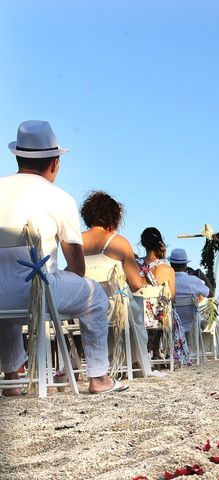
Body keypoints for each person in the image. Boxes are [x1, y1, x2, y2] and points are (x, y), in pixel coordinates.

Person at [0, 121, 126, 394]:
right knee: (95, 298)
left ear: (18, 156)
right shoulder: (59, 198)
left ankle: (12, 377)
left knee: (6, 288)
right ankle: (99, 378)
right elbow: (78, 267)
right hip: (41, 291)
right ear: (55, 163)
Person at [80, 191, 154, 377]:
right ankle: (135, 361)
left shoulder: (76, 241)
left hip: (82, 308)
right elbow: (136, 284)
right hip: (115, 309)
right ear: (114, 217)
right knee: (135, 302)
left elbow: (72, 274)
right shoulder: (119, 243)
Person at [136, 227, 191, 366]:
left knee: (153, 310)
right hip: (159, 318)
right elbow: (171, 298)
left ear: (143, 244)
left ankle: (147, 353)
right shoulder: (167, 269)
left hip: (136, 317)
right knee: (164, 310)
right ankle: (157, 352)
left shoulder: (134, 265)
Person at [168, 248, 211, 350]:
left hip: (171, 321)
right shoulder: (194, 281)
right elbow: (210, 293)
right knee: (194, 321)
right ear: (185, 265)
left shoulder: (166, 281)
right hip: (191, 321)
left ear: (171, 265)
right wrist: (204, 277)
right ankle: (187, 351)